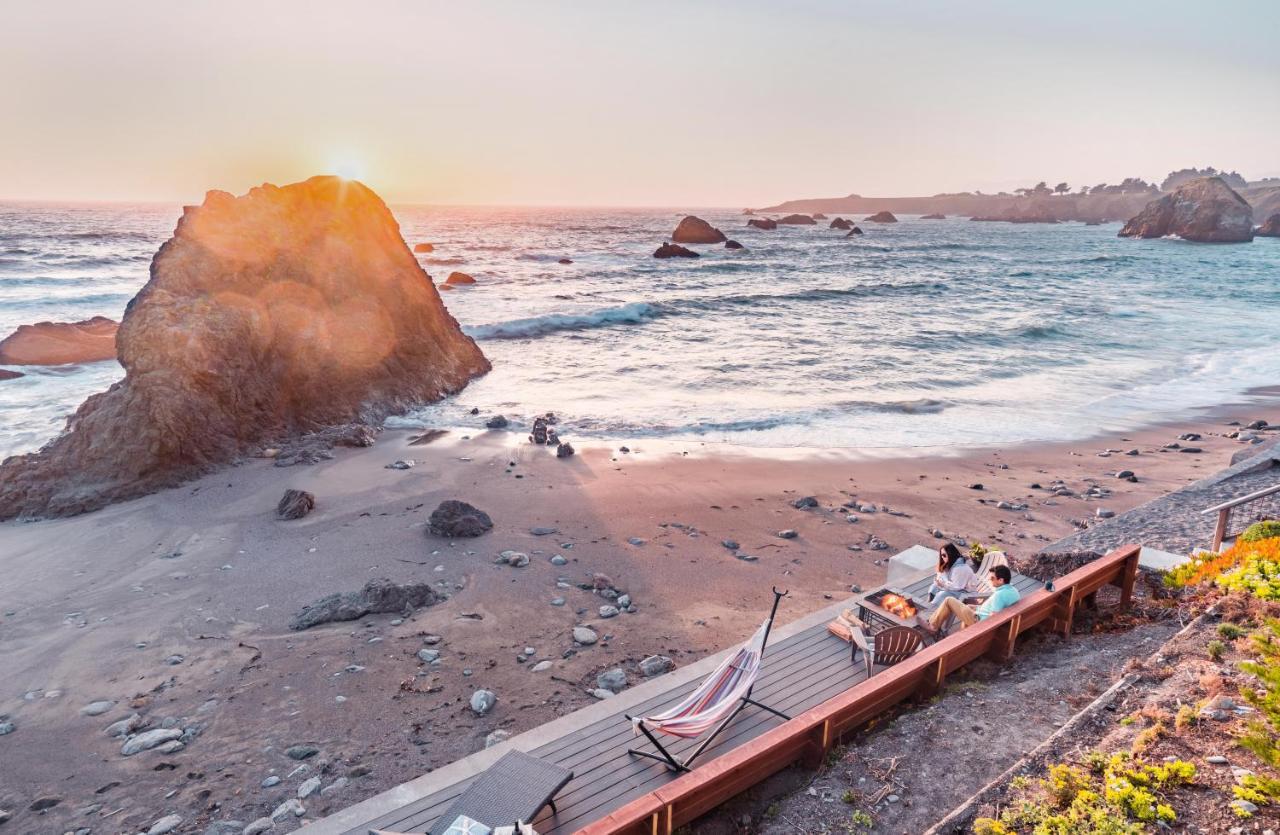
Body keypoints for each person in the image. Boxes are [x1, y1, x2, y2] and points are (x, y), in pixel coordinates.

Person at [920, 564, 1019, 636]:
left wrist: (978, 613)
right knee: (968, 607)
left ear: (1001, 580)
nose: (990, 579)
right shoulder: (1013, 590)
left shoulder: (999, 595)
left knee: (949, 600)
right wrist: (978, 608)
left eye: (992, 578)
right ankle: (963, 637)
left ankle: (932, 626)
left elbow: (994, 617)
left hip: (978, 621)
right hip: (980, 614)